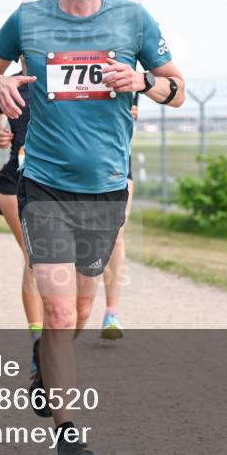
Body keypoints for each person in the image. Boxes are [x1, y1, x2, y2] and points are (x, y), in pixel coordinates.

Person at [0, 0, 186, 455]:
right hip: (42, 184)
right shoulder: (28, 21)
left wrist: (142, 81)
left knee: (81, 313)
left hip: (107, 188)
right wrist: (0, 83)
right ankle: (70, 443)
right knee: (60, 312)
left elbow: (178, 89)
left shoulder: (134, 20)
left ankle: (46, 361)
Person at [0, 57, 43, 366]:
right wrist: (0, 131)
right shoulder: (12, 83)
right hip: (14, 183)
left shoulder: (68, 81)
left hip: (58, 185)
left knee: (63, 264)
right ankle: (38, 345)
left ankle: (55, 336)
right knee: (36, 259)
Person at [100, 94, 138, 339]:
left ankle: (111, 313)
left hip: (117, 166)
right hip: (69, 169)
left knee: (116, 236)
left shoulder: (124, 64)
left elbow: (172, 89)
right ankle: (67, 308)